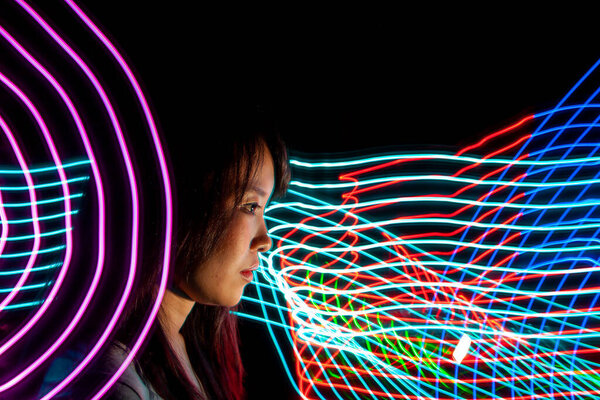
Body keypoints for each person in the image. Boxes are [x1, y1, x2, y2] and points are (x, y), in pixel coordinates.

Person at [39, 103, 291, 399]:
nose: (265, 240)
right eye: (250, 206)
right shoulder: (109, 383)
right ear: (178, 203)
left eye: (263, 209)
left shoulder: (188, 356)